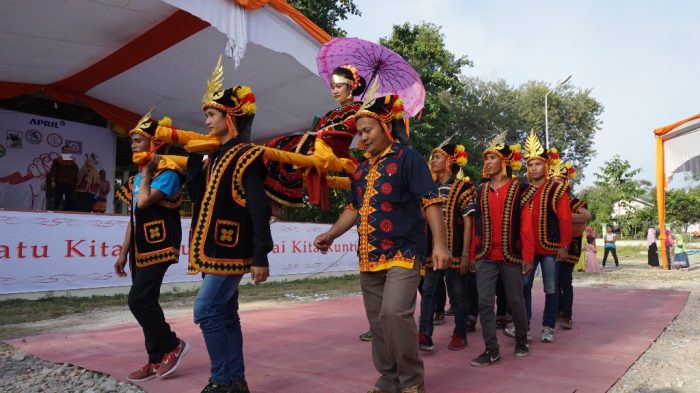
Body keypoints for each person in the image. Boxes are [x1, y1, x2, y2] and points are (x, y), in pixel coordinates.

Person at [314, 94, 451, 393]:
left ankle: (412, 381)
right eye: (359, 132)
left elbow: (430, 200)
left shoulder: (408, 158)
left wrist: (440, 244)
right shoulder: (361, 170)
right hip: (369, 255)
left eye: (367, 130)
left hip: (404, 250)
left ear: (387, 127)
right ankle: (388, 381)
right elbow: (354, 207)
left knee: (393, 313)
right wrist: (331, 233)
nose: (361, 138)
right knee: (377, 323)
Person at [187, 70, 273, 393]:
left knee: (205, 310)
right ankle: (236, 381)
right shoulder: (215, 156)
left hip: (232, 250)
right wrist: (194, 160)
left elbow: (257, 208)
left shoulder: (246, 155)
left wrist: (260, 254)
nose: (207, 121)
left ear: (231, 117)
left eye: (212, 114)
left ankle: (222, 380)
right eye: (207, 115)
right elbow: (197, 197)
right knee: (224, 313)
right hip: (214, 249)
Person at [114, 112, 188, 383]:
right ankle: (155, 359)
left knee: (139, 300)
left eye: (138, 141)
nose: (132, 145)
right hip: (139, 248)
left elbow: (144, 202)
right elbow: (134, 216)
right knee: (147, 301)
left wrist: (146, 173)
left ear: (154, 145)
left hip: (160, 245)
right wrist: (123, 251)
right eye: (131, 141)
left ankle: (172, 345)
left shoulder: (168, 173)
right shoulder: (136, 179)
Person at [469, 132, 535, 367]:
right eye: (485, 159)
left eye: (492, 158)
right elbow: (476, 225)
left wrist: (528, 256)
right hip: (485, 255)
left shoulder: (520, 189)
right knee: (485, 303)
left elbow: (527, 226)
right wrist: (471, 255)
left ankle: (521, 340)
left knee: (516, 301)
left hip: (511, 255)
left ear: (505, 162)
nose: (487, 163)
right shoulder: (480, 190)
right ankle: (491, 349)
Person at [264, 64, 366, 210]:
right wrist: (315, 130)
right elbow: (319, 128)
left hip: (331, 148)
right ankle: (273, 199)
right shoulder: (332, 112)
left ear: (350, 87)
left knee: (283, 147)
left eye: (338, 86)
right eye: (332, 87)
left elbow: (346, 127)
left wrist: (319, 133)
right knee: (276, 143)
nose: (335, 91)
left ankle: (279, 200)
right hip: (317, 141)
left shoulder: (358, 108)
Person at [508, 131, 571, 344]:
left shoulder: (556, 189)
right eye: (530, 164)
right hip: (528, 248)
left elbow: (564, 219)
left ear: (546, 166)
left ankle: (548, 326)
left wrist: (564, 245)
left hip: (551, 248)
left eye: (537, 164)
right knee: (523, 286)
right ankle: (524, 327)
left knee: (551, 288)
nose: (533, 168)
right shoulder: (522, 190)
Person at [418, 143, 476, 352]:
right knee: (428, 290)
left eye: (437, 157)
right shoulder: (427, 187)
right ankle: (424, 333)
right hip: (431, 248)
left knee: (458, 292)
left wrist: (467, 254)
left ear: (450, 161)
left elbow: (469, 222)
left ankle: (460, 333)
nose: (432, 160)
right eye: (432, 157)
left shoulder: (463, 186)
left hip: (456, 248)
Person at [550, 160, 591, 330]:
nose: (556, 183)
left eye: (559, 180)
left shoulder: (574, 202)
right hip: (551, 244)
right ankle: (558, 310)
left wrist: (563, 216)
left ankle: (566, 315)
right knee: (553, 280)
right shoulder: (547, 201)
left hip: (571, 244)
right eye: (553, 180)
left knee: (564, 280)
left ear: (566, 182)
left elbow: (587, 216)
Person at [48, 145, 79, 211]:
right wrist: (53, 180)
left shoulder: (72, 162)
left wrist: (76, 181)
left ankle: (67, 212)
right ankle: (55, 211)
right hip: (60, 181)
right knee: (58, 198)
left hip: (69, 183)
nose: (67, 151)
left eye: (68, 150)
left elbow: (77, 171)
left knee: (69, 198)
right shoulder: (57, 160)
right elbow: (53, 170)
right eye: (65, 149)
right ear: (63, 151)